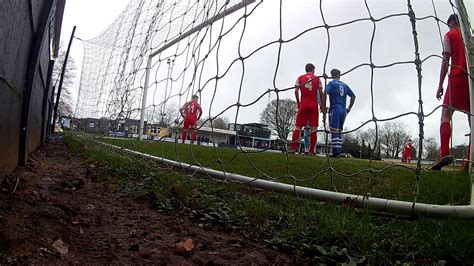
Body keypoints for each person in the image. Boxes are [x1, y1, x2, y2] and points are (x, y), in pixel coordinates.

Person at [431, 14, 469, 170]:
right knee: (471, 120)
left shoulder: (450, 35)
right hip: (471, 80)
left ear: (452, 23)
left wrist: (440, 84)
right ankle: (469, 160)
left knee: (446, 113)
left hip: (457, 77)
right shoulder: (470, 37)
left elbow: (446, 60)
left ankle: (445, 153)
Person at [290, 63, 324, 154]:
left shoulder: (299, 78)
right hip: (313, 105)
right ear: (313, 70)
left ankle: (293, 149)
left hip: (303, 104)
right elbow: (321, 93)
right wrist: (322, 105)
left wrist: (298, 102)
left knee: (298, 127)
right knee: (313, 129)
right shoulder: (318, 78)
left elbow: (296, 91)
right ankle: (311, 151)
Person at [324, 68, 356, 158]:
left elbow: (324, 93)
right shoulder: (345, 85)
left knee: (334, 129)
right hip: (343, 109)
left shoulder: (331, 84)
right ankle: (338, 151)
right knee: (339, 130)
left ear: (331, 75)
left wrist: (323, 106)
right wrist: (349, 108)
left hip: (335, 107)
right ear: (339, 75)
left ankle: (335, 152)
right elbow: (353, 96)